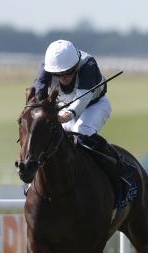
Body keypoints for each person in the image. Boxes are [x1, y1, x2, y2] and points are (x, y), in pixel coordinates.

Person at [33, 39, 126, 204]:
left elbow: (81, 101)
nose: (64, 78)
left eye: (69, 72)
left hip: (94, 105)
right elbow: (39, 97)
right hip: (63, 109)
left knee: (82, 131)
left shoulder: (88, 65)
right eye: (59, 74)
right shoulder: (46, 67)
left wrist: (65, 116)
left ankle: (120, 173)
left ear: (76, 66)